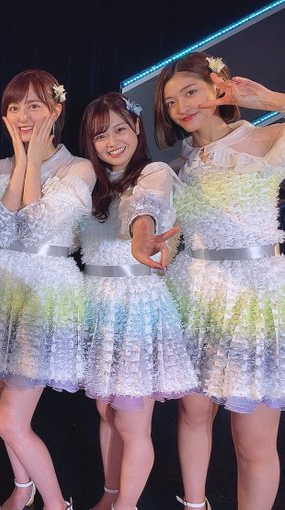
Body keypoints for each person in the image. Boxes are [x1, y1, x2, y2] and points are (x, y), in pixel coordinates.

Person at [0, 69, 93, 510]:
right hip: (1, 286)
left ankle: (56, 503)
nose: (22, 115)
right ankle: (22, 486)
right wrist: (18, 160)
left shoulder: (78, 168)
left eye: (34, 105)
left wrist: (30, 161)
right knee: (2, 400)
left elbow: (35, 225)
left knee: (10, 421)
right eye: (14, 107)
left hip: (46, 291)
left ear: (56, 110)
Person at [152, 51, 285, 510]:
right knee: (192, 414)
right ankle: (195, 504)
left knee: (252, 438)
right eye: (171, 102)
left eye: (190, 92)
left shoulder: (266, 137)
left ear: (217, 86)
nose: (182, 108)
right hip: (196, 294)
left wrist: (269, 99)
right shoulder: (181, 164)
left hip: (254, 298)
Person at [78, 92, 198, 510]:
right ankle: (110, 496)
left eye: (120, 129)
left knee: (131, 422)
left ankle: (125, 506)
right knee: (107, 413)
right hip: (96, 307)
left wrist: (141, 232)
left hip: (135, 308)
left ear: (136, 129)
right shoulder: (92, 186)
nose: (111, 142)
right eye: (100, 135)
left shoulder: (154, 172)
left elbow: (145, 207)